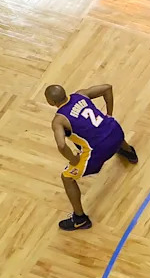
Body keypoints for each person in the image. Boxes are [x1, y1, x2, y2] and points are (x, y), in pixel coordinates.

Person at [45, 83, 139, 231]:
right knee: (105, 127)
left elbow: (62, 145)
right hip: (116, 133)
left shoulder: (59, 120)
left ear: (50, 102)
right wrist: (109, 114)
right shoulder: (80, 94)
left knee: (67, 177)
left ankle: (80, 219)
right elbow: (107, 87)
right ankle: (129, 152)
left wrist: (73, 160)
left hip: (98, 151)